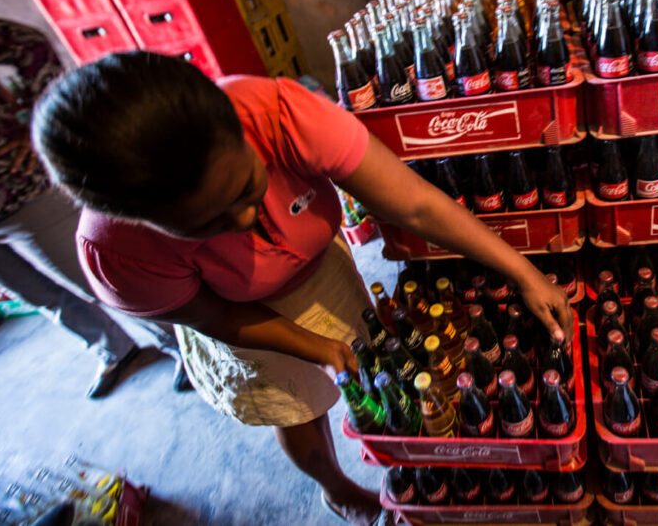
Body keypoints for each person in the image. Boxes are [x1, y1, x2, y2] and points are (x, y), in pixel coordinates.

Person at [30, 52, 571, 525]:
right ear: (138, 218)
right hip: (244, 315)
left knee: (376, 376)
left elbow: (415, 203)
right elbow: (217, 318)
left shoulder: (280, 112)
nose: (245, 217)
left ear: (240, 128)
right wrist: (318, 350)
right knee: (296, 407)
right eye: (205, 224)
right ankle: (337, 491)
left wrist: (521, 271)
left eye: (246, 186)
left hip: (320, 267)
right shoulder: (118, 253)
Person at [0, 18, 189, 398]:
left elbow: (28, 44)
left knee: (100, 281)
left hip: (19, 192)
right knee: (40, 296)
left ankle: (186, 350)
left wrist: (37, 127)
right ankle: (113, 348)